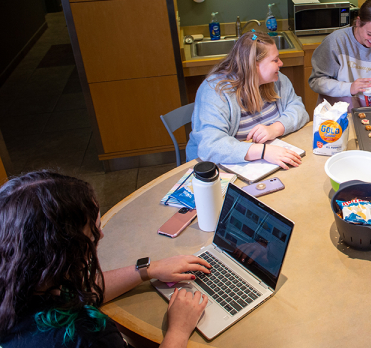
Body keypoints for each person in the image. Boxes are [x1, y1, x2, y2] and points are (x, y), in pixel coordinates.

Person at [0, 171, 213, 347]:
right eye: (93, 232)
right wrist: (178, 330)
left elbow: (79, 290)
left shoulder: (18, 280)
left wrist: (148, 269)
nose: (101, 236)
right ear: (64, 251)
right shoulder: (87, 334)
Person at [186, 31, 309, 169]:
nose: (281, 63)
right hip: (219, 167)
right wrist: (263, 151)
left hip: (265, 162)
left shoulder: (277, 79)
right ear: (253, 65)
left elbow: (299, 109)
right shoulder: (215, 91)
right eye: (275, 60)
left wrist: (275, 129)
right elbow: (211, 146)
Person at [308, 0, 371, 109]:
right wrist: (349, 88)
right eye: (370, 34)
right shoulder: (335, 42)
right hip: (335, 116)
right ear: (358, 22)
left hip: (369, 115)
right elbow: (316, 81)